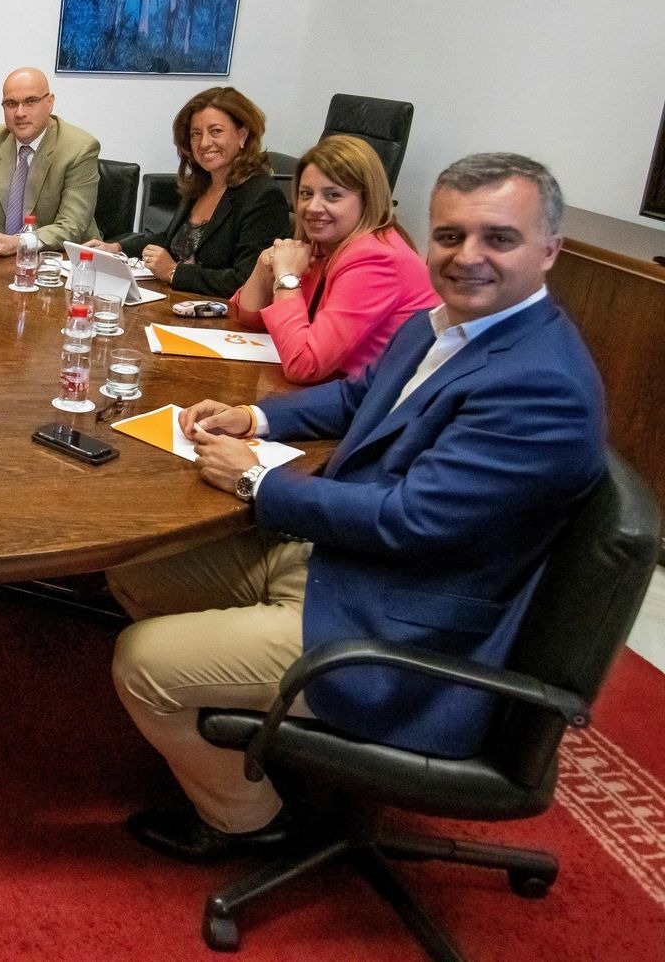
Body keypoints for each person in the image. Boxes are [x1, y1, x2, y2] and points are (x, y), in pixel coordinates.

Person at [108, 153, 604, 863]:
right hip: (347, 565)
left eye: (499, 238)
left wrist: (258, 483)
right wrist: (257, 419)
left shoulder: (540, 385)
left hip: (406, 630)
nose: (467, 258)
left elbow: (410, 521)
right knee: (143, 564)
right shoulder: (448, 324)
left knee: (142, 661)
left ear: (550, 250)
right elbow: (355, 396)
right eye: (450, 236)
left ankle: (249, 822)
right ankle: (248, 723)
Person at [229, 135, 437, 383]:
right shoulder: (326, 243)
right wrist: (265, 266)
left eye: (333, 196)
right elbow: (247, 318)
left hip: (386, 408)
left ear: (367, 199)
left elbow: (303, 365)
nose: (313, 207)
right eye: (306, 194)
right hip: (344, 391)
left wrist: (287, 278)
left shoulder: (375, 259)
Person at [90, 86, 291, 297]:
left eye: (216, 132)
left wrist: (174, 272)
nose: (204, 143)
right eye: (196, 134)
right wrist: (117, 249)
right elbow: (170, 240)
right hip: (179, 301)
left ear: (243, 135)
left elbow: (246, 281)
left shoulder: (263, 196)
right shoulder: (201, 183)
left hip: (221, 319)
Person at [0, 67, 101, 256]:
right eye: (11, 103)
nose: (19, 113)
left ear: (49, 102)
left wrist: (19, 242)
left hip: (59, 262)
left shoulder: (80, 148)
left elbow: (71, 226)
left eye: (30, 101)